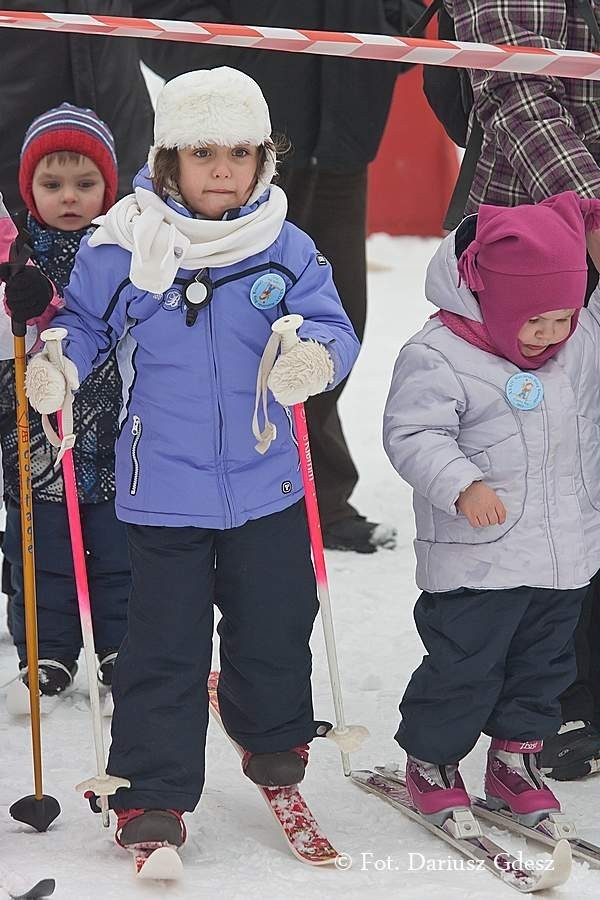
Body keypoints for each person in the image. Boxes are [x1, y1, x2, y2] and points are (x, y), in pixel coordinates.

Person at [6, 68, 360, 851]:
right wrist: (57, 365)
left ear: (264, 159)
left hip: (266, 486)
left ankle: (273, 734)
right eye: (203, 152)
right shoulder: (123, 244)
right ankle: (150, 790)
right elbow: (82, 326)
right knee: (162, 645)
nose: (224, 169)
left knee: (273, 625)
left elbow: (333, 323)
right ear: (168, 160)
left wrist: (316, 357)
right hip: (161, 487)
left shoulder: (283, 244)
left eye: (241, 151)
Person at [142, 0, 414, 553]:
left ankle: (318, 496)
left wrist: (385, 29)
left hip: (342, 137)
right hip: (237, 151)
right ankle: (238, 496)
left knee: (330, 323)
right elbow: (156, 13)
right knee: (231, 326)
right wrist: (237, 66)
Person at [383, 192, 600, 826]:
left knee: (545, 667)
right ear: (495, 303)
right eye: (538, 321)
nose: (552, 334)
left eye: (565, 317)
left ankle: (515, 759)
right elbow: (412, 434)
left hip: (564, 554)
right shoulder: (440, 355)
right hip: (481, 559)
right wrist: (461, 484)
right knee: (465, 666)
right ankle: (432, 759)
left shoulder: (575, 344)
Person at [446, 0, 600, 781]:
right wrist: (593, 207)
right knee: (536, 489)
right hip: (539, 247)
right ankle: (550, 701)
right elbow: (515, 82)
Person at [0, 104, 130, 696]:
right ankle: (47, 650)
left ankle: (119, 645)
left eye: (86, 184)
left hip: (112, 434)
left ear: (110, 189)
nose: (69, 197)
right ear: (29, 190)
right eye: (52, 185)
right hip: (37, 434)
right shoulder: (17, 258)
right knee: (41, 548)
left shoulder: (122, 253)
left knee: (116, 552)